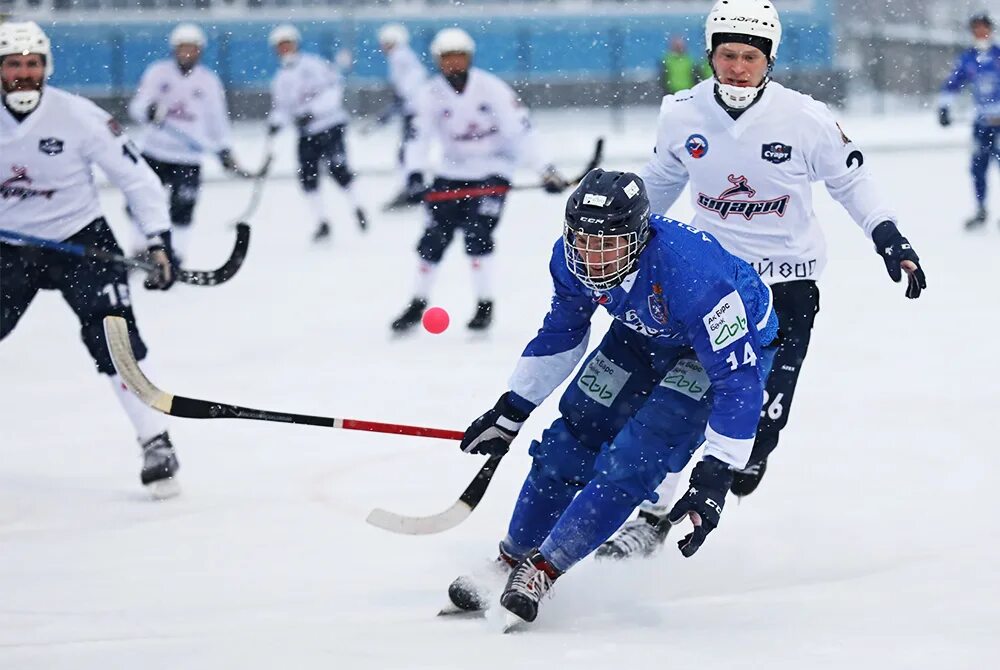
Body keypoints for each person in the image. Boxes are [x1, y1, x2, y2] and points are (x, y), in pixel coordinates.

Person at [596, 0, 927, 560]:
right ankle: (651, 517)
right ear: (711, 55)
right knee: (680, 404)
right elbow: (660, 181)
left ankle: (733, 461)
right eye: (728, 55)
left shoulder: (805, 118)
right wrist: (611, 227)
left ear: (768, 60)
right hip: (708, 287)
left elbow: (853, 182)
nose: (738, 67)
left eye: (751, 56)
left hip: (787, 287)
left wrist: (887, 236)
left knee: (755, 438)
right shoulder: (681, 112)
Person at [445, 169, 780, 625]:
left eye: (607, 244)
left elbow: (737, 380)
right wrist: (512, 409)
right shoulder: (568, 260)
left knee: (634, 459)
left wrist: (717, 472)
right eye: (581, 240)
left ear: (639, 238)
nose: (592, 257)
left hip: (719, 355)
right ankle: (511, 558)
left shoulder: (692, 275)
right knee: (568, 441)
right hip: (642, 336)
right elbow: (562, 333)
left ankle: (544, 570)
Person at [0, 21, 182, 497]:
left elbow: (136, 177)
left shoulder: (78, 116)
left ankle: (154, 440)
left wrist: (158, 240)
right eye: (13, 63)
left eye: (32, 63)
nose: (24, 73)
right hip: (9, 248)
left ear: (46, 66)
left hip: (80, 241)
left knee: (115, 340)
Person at [390, 27, 568, 334]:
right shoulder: (429, 94)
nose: (454, 64)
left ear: (469, 58)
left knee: (477, 235)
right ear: (438, 61)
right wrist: (415, 174)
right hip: (451, 173)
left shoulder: (492, 89)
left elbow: (521, 131)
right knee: (432, 240)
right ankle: (418, 301)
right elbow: (417, 137)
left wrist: (545, 169)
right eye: (448, 59)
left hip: (492, 172)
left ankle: (484, 304)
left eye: (459, 57)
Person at [127, 23, 255, 262]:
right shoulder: (158, 72)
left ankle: (177, 256)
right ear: (175, 49)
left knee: (183, 208)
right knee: (142, 202)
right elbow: (137, 107)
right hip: (156, 151)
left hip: (188, 157)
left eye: (192, 49)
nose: (187, 53)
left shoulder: (208, 81)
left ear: (200, 51)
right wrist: (149, 110)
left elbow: (217, 121)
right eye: (183, 48)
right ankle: (139, 250)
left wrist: (224, 149)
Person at [267, 23, 369, 242]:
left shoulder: (314, 64)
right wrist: (276, 123)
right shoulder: (280, 79)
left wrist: (313, 111)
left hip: (330, 126)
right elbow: (282, 109)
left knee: (338, 168)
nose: (285, 49)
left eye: (288, 44)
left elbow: (334, 89)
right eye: (281, 46)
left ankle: (357, 206)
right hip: (306, 134)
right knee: (308, 178)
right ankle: (321, 221)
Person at [938, 13, 1000, 230]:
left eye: (984, 29)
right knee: (978, 167)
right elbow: (954, 82)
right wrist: (944, 106)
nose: (980, 33)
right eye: (976, 29)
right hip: (981, 124)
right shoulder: (970, 58)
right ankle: (981, 209)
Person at [374, 23, 429, 211]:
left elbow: (407, 89)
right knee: (409, 151)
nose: (382, 47)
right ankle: (412, 186)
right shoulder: (405, 57)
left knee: (408, 152)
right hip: (414, 111)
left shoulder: (400, 57)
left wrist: (394, 107)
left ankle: (412, 189)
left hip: (414, 112)